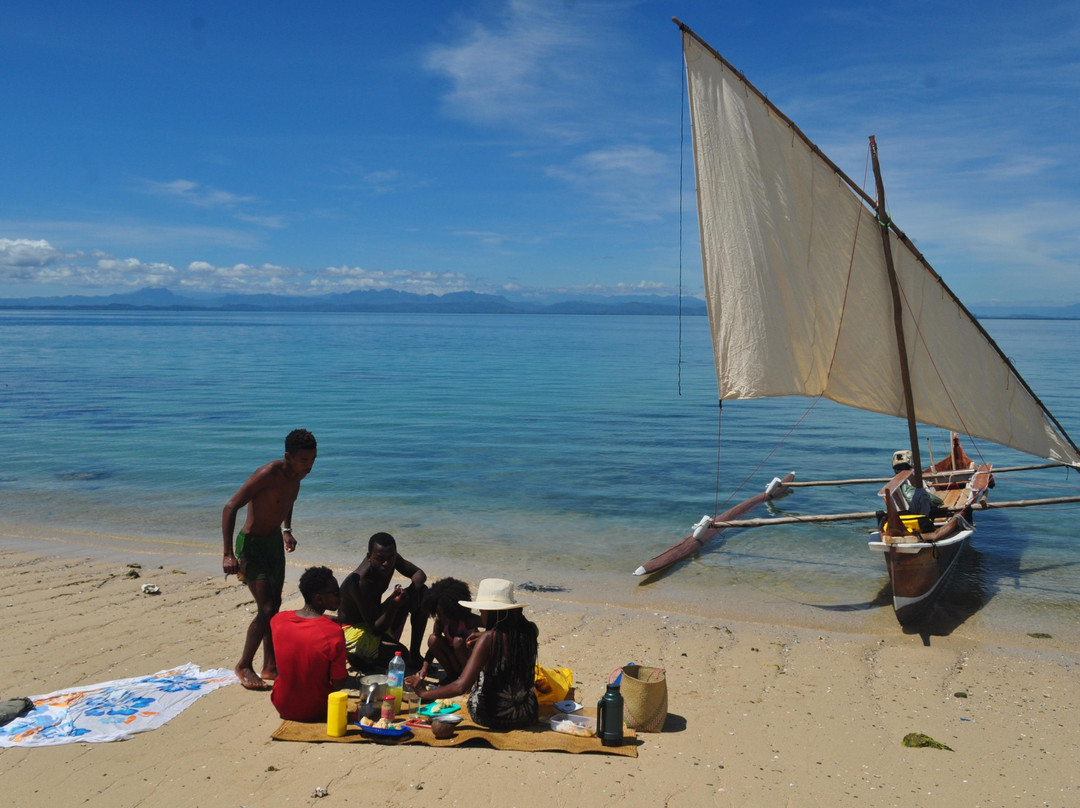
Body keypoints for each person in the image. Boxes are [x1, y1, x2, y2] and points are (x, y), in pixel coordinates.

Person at [222, 428, 318, 691]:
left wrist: (286, 530)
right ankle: (243, 664)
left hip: (274, 543)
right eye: (303, 461)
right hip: (252, 545)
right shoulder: (268, 473)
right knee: (266, 609)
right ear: (288, 456)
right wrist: (228, 553)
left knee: (273, 607)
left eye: (312, 460)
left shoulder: (297, 476)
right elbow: (230, 507)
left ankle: (270, 666)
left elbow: (287, 501)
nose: (308, 467)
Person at [405, 578, 539, 730]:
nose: (480, 615)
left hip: (492, 717)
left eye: (482, 611)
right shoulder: (531, 630)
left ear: (491, 613)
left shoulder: (489, 639)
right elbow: (509, 633)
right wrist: (484, 635)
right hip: (527, 713)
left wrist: (423, 693)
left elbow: (461, 687)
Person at [337, 532, 427, 671]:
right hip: (355, 628)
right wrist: (393, 605)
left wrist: (409, 592)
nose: (386, 563)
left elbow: (419, 574)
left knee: (422, 592)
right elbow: (376, 628)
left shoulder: (391, 559)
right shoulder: (361, 582)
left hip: (376, 617)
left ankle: (416, 655)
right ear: (369, 557)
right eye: (380, 559)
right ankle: (359, 657)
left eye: (391, 558)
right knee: (401, 656)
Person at [269, 566, 348, 722]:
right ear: (318, 599)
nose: (340, 597)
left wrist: (324, 618)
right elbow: (338, 683)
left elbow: (304, 627)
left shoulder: (278, 620)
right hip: (318, 709)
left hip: (282, 704)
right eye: (336, 593)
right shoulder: (333, 632)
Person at [415, 578, 482, 683]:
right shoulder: (440, 622)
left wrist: (480, 636)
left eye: (444, 615)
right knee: (433, 639)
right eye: (438, 614)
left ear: (453, 610)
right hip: (453, 661)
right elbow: (432, 647)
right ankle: (452, 676)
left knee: (458, 641)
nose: (441, 618)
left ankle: (467, 679)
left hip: (470, 661)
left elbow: (492, 628)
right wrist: (424, 668)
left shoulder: (469, 620)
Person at [891, 449, 944, 516]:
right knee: (923, 496)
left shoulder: (892, 483)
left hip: (904, 514)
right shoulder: (912, 482)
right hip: (918, 515)